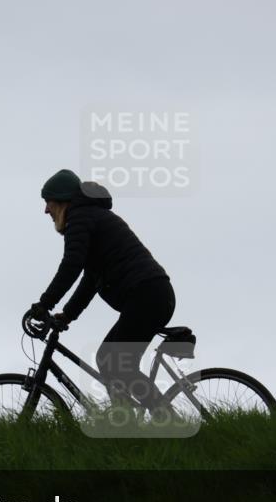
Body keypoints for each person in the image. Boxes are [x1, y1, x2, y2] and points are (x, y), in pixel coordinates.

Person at [30, 169, 176, 413]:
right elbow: (90, 278)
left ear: (63, 201)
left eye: (48, 202)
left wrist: (45, 303)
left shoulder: (80, 217)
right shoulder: (90, 216)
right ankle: (132, 423)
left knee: (113, 362)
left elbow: (71, 266)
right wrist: (67, 315)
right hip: (151, 294)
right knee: (113, 362)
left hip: (147, 295)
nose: (46, 210)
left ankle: (157, 421)